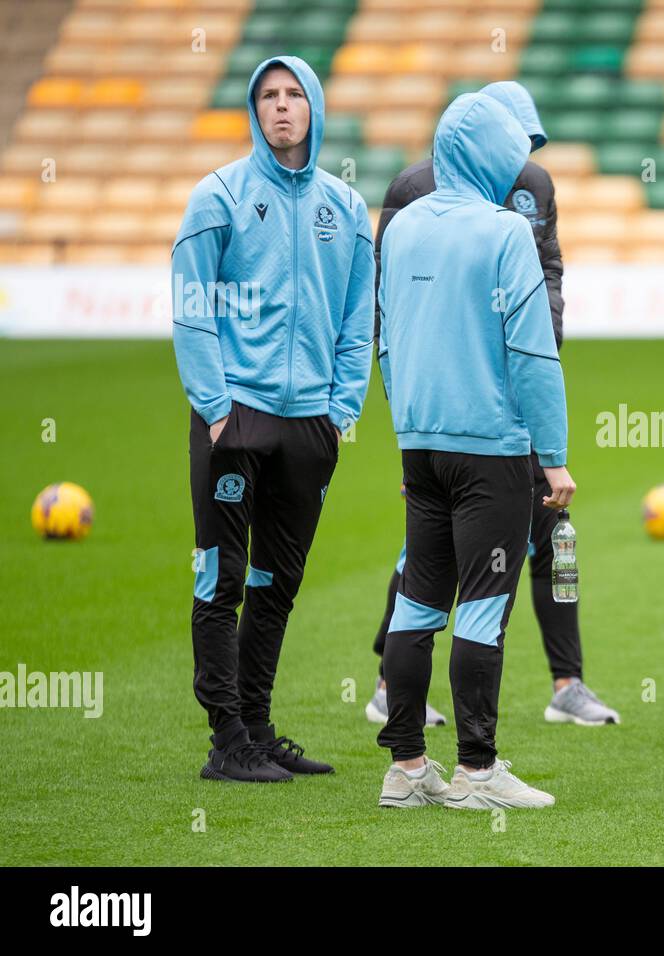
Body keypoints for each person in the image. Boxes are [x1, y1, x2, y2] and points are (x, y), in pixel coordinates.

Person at [365, 81, 618, 730]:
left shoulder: (535, 185)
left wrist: (544, 332)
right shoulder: (414, 191)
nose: (525, 157)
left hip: (523, 390)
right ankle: (394, 686)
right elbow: (389, 307)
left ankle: (568, 681)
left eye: (532, 143)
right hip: (460, 401)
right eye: (517, 142)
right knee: (444, 552)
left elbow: (550, 268)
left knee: (555, 533)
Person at [172, 56, 373, 783]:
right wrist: (219, 411)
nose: (281, 107)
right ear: (253, 109)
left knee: (275, 583)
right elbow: (193, 311)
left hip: (309, 426)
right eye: (268, 96)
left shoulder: (346, 210)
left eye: (294, 96)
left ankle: (257, 728)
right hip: (237, 421)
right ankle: (226, 740)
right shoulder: (218, 196)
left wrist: (341, 409)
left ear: (314, 107)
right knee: (219, 581)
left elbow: (358, 320)